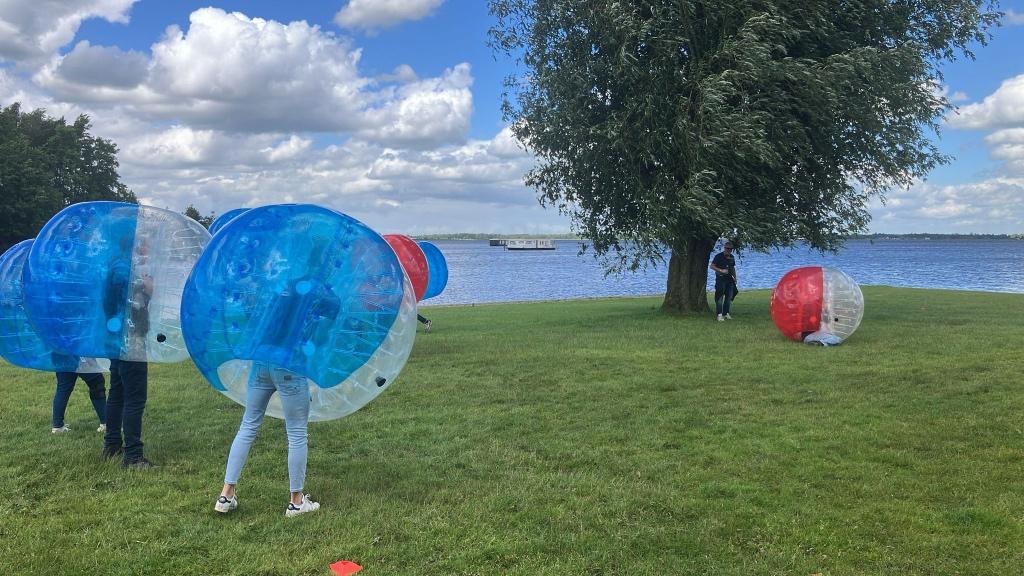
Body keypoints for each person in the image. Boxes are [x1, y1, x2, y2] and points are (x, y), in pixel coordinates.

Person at [214, 363, 319, 517]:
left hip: (261, 365)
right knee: (297, 433)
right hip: (289, 367)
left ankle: (226, 495)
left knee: (247, 426)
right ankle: (296, 503)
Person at [102, 236, 156, 469]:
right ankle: (133, 456)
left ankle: (112, 444)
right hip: (131, 338)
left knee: (117, 391)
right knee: (135, 397)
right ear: (136, 246)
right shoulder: (131, 271)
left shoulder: (115, 264)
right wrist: (148, 284)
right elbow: (142, 298)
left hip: (116, 337)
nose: (148, 250)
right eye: (145, 245)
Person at [51, 369, 106, 434]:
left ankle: (58, 426)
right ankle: (106, 423)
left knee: (63, 387)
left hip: (63, 360)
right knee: (96, 383)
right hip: (81, 360)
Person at [709, 240, 738, 322]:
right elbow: (712, 266)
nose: (729, 250)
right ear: (724, 248)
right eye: (727, 248)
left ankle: (726, 313)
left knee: (729, 297)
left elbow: (732, 268)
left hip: (729, 279)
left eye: (730, 249)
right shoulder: (718, 256)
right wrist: (721, 270)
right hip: (720, 279)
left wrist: (735, 278)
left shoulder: (732, 257)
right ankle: (719, 314)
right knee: (719, 297)